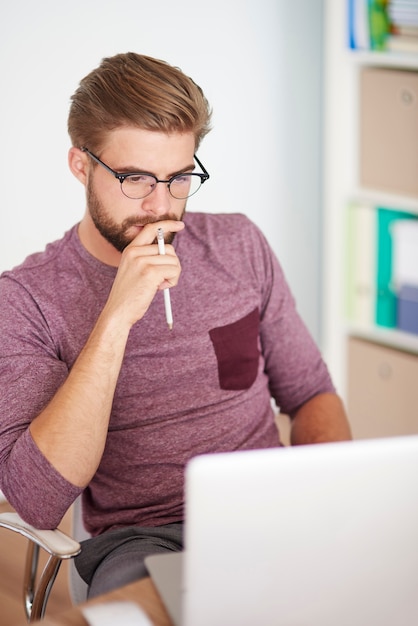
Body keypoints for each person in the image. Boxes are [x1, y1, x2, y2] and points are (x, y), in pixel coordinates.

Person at [0, 52, 351, 598]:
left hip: (274, 516)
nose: (161, 206)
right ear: (81, 166)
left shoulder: (239, 244)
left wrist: (333, 499)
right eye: (135, 178)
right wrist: (116, 316)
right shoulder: (27, 298)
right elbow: (38, 498)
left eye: (180, 177)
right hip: (143, 542)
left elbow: (310, 395)